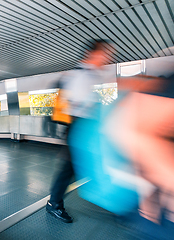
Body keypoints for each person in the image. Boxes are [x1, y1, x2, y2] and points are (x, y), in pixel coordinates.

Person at [46, 39, 114, 223]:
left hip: (84, 126)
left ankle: (104, 198)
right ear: (92, 54)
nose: (108, 57)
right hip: (78, 126)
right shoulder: (79, 75)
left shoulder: (92, 75)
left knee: (81, 164)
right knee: (68, 168)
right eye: (105, 53)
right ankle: (54, 204)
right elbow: (77, 105)